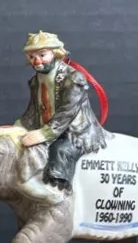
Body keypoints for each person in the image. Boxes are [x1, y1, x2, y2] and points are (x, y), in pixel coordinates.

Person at [14, 31, 107, 202]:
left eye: (42, 55)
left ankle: (58, 195)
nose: (37, 61)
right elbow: (33, 110)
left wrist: (44, 133)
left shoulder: (73, 78)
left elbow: (67, 111)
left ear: (56, 53)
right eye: (32, 56)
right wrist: (18, 127)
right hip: (45, 129)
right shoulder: (36, 81)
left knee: (61, 151)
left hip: (74, 132)